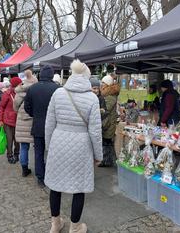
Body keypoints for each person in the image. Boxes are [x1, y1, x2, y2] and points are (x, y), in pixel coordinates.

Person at [45, 59, 103, 233]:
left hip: (58, 142)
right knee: (79, 187)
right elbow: (95, 131)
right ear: (87, 77)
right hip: (81, 145)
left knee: (55, 185)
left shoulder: (58, 94)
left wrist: (50, 147)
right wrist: (98, 155)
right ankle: (75, 227)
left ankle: (55, 224)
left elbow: (49, 124)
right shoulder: (92, 98)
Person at [24, 65, 59, 187]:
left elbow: (27, 107)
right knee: (52, 152)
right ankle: (52, 175)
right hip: (54, 127)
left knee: (38, 153)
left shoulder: (33, 88)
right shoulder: (57, 89)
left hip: (38, 125)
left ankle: (41, 177)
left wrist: (35, 114)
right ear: (51, 75)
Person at [13, 70, 38, 177]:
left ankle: (24, 169)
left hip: (22, 121)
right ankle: (39, 168)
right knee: (37, 146)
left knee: (24, 147)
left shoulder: (19, 92)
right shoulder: (37, 91)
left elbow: (15, 107)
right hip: (34, 121)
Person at [0, 77, 22, 164]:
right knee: (9, 139)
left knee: (17, 139)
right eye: (20, 84)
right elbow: (1, 107)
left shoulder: (21, 93)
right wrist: (0, 119)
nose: (21, 85)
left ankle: (16, 154)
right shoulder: (7, 94)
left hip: (18, 120)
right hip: (8, 121)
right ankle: (10, 155)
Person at [100, 74, 120, 167]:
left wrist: (100, 108)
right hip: (108, 122)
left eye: (103, 83)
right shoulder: (107, 94)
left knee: (107, 143)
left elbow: (106, 109)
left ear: (107, 84)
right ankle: (107, 160)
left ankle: (107, 161)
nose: (101, 84)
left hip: (109, 123)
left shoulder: (110, 95)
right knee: (107, 142)